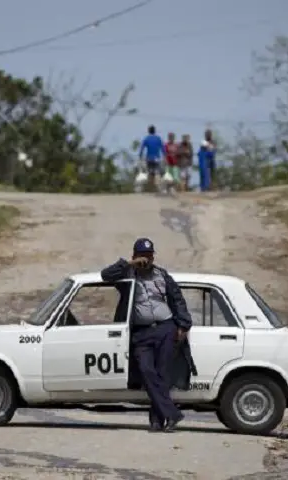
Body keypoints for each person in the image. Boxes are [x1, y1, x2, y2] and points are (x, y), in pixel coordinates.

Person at [100, 238, 193, 432]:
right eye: (142, 256)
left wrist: (183, 325)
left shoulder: (162, 275)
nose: (146, 260)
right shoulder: (127, 275)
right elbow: (105, 275)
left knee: (163, 374)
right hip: (141, 333)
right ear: (134, 256)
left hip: (165, 328)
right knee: (146, 370)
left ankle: (158, 421)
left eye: (150, 256)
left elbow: (177, 298)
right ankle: (172, 414)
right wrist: (130, 264)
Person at [139, 125, 164, 191]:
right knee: (157, 173)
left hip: (149, 158)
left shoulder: (146, 138)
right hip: (157, 158)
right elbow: (163, 148)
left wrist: (140, 156)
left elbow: (142, 148)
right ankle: (157, 187)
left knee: (150, 173)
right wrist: (165, 156)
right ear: (155, 131)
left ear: (149, 131)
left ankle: (151, 187)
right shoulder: (158, 138)